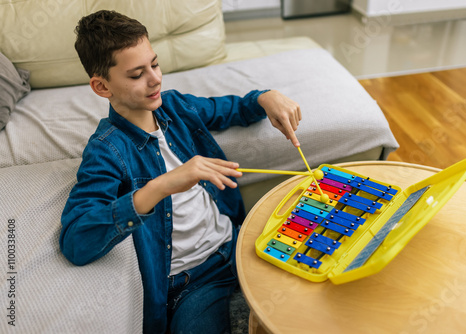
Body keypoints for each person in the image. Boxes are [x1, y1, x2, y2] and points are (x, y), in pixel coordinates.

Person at [60, 10, 301, 334]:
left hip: (240, 245)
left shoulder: (174, 106)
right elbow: (76, 240)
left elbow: (231, 109)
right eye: (136, 75)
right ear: (102, 87)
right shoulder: (107, 150)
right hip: (193, 283)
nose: (155, 79)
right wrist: (162, 186)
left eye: (155, 65)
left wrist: (265, 97)